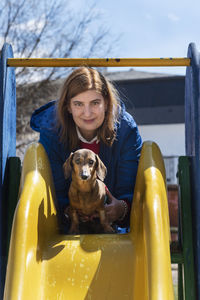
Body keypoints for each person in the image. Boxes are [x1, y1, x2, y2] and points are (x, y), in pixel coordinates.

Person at [30, 67, 142, 233]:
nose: (87, 113)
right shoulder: (52, 131)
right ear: (68, 106)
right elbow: (55, 187)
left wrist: (122, 208)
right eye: (78, 104)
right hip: (68, 226)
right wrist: (69, 212)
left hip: (113, 225)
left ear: (106, 104)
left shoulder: (126, 129)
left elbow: (130, 185)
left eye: (95, 103)